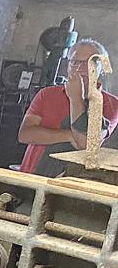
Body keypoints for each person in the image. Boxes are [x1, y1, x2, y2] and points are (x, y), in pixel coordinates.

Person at [18, 39, 118, 175]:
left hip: (70, 183)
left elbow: (86, 144)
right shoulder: (47, 94)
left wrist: (76, 99)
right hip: (31, 175)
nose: (79, 68)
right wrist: (70, 135)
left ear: (102, 68)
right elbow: (25, 135)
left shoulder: (111, 104)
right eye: (74, 62)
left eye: (88, 63)